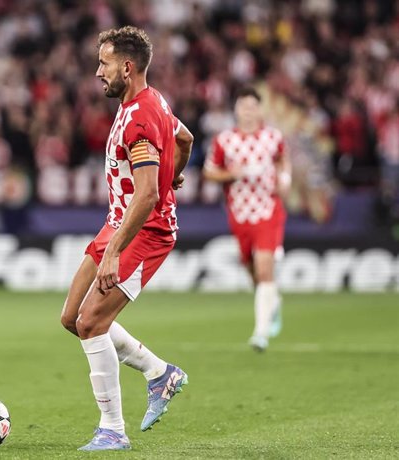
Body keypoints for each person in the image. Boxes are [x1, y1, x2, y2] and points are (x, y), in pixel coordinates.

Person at [60, 26, 194, 451]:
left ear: (127, 66)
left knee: (91, 323)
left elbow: (150, 193)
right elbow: (184, 138)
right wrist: (176, 174)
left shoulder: (138, 117)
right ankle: (160, 373)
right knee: (72, 320)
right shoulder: (148, 102)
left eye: (104, 63)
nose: (98, 71)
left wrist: (115, 250)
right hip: (116, 222)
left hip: (145, 230)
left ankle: (112, 429)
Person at [202, 87, 291, 352]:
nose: (248, 111)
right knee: (253, 272)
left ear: (259, 110)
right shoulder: (224, 140)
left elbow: (283, 161)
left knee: (264, 269)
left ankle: (260, 333)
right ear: (237, 110)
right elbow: (209, 173)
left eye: (253, 106)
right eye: (244, 106)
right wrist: (231, 173)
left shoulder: (273, 137)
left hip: (268, 210)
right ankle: (273, 303)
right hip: (240, 213)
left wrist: (284, 180)